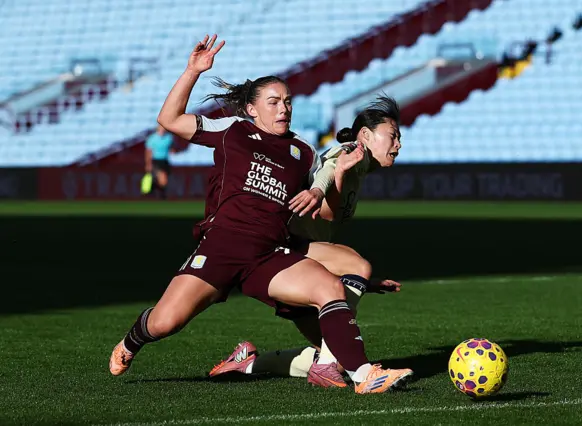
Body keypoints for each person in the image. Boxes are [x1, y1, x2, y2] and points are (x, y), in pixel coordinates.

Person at [108, 34, 412, 394]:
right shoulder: (233, 131)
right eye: (274, 102)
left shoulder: (303, 152)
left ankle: (365, 376)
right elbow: (170, 119)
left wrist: (336, 179)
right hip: (222, 246)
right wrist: (192, 71)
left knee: (331, 288)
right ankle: (131, 341)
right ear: (252, 109)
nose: (284, 108)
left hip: (270, 252)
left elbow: (329, 215)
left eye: (287, 101)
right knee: (165, 322)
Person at [209, 96, 404, 388]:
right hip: (285, 250)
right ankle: (336, 368)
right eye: (393, 136)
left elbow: (328, 214)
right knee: (356, 266)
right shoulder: (355, 152)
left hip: (301, 258)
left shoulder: (359, 167)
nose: (398, 144)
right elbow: (329, 169)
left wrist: (364, 282)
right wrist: (322, 185)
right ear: (366, 134)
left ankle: (248, 363)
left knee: (338, 353)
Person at [144, 125, 174, 199]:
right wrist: (148, 163)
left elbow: (171, 148)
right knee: (162, 178)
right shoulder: (152, 138)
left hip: (165, 160)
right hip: (156, 160)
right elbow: (148, 152)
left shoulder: (169, 138)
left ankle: (155, 191)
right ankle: (161, 195)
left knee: (163, 180)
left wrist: (173, 151)